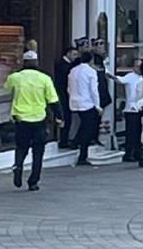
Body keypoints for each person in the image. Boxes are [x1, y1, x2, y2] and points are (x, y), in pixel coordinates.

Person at [6, 50, 63, 191]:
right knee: (38, 152)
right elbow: (53, 100)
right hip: (39, 118)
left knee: (21, 147)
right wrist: (59, 117)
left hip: (21, 118)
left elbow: (6, 91)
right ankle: (33, 181)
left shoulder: (15, 77)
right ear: (36, 62)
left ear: (23, 62)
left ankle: (18, 165)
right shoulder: (44, 78)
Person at [66, 51, 100, 166]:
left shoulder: (73, 70)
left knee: (84, 124)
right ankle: (82, 153)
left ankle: (76, 141)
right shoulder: (91, 72)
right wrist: (97, 105)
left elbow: (69, 88)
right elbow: (94, 90)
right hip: (87, 102)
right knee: (88, 128)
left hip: (74, 101)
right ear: (91, 60)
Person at [117, 60, 143, 163]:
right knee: (131, 132)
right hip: (131, 108)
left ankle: (137, 152)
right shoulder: (130, 76)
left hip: (141, 108)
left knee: (139, 132)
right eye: (137, 66)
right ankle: (129, 153)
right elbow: (120, 80)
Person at [53, 46, 78, 148]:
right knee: (65, 117)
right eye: (74, 54)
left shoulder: (69, 65)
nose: (75, 57)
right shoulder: (63, 65)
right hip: (62, 95)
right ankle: (63, 140)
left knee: (67, 118)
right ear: (68, 54)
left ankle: (65, 139)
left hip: (66, 94)